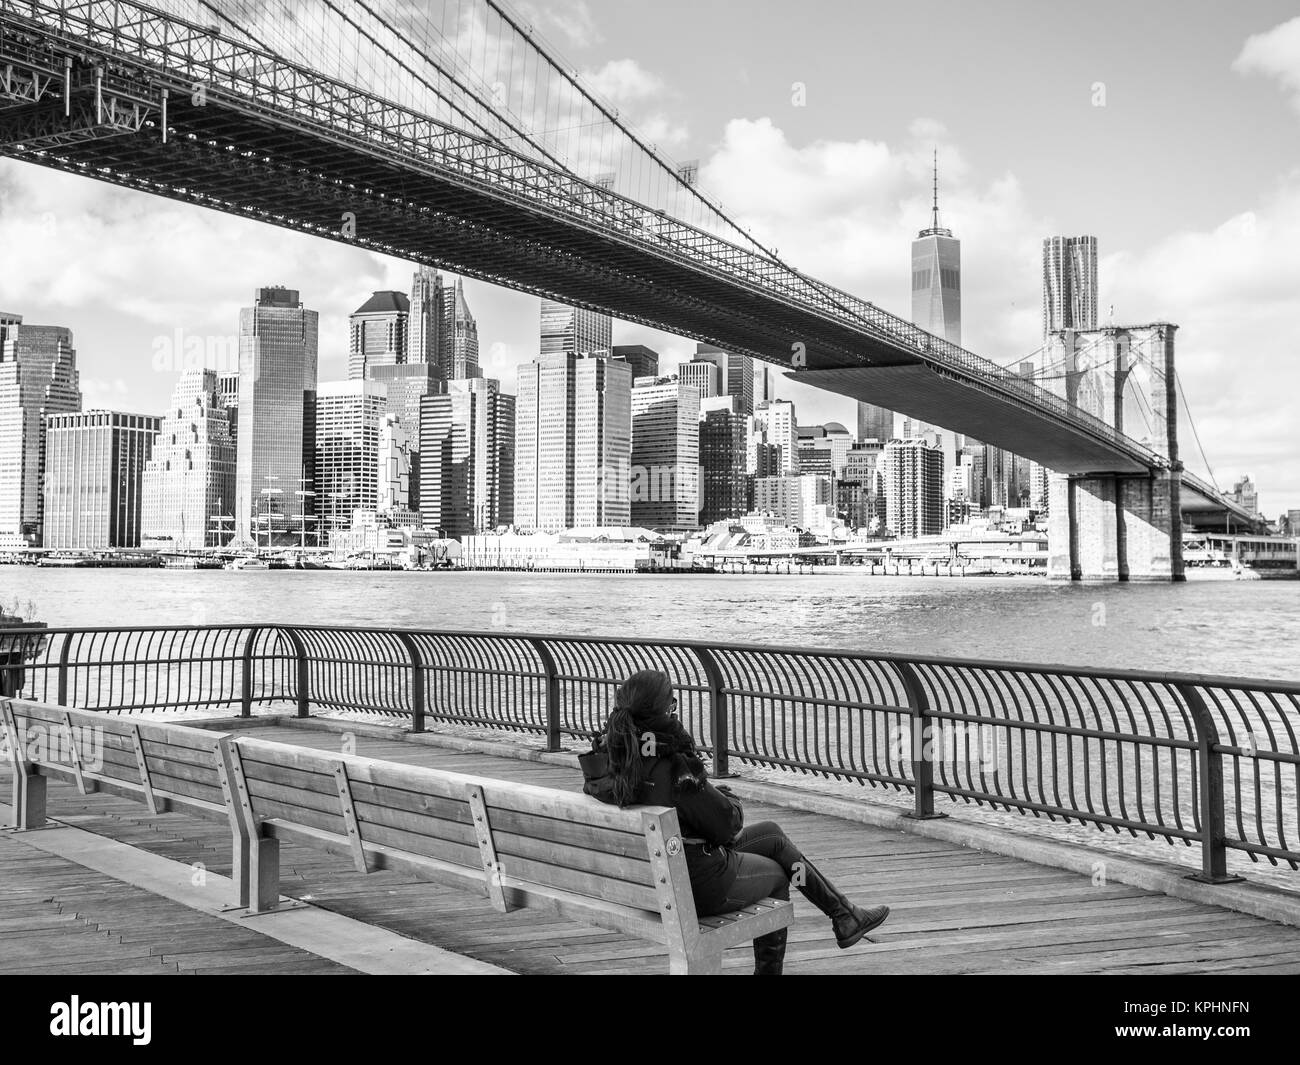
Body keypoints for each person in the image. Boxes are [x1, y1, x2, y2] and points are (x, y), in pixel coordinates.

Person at [581, 669, 890, 975]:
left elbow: (672, 805)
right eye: (672, 706)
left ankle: (844, 915)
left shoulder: (608, 764)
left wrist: (706, 795)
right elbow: (727, 828)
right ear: (662, 713)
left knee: (772, 836)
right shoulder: (674, 769)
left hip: (645, 881)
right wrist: (726, 800)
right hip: (692, 888)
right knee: (781, 874)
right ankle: (823, 933)